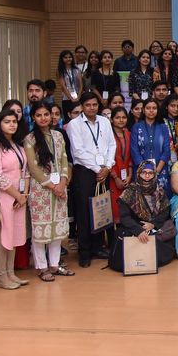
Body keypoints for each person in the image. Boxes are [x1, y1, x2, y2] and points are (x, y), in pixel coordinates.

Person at [65, 92, 117, 267]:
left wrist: (107, 167)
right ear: (82, 106)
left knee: (101, 208)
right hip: (85, 172)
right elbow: (78, 151)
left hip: (104, 171)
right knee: (84, 212)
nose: (92, 108)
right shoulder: (74, 124)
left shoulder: (104, 121)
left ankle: (98, 247)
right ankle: (84, 252)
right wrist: (98, 169)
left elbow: (112, 145)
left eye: (94, 104)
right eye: (87, 105)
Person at [0, 109, 30, 290]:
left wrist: (23, 195)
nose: (12, 125)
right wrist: (17, 195)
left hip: (18, 198)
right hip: (2, 195)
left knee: (14, 235)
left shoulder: (16, 144)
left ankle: (11, 273)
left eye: (14, 121)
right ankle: (2, 276)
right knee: (3, 236)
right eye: (7, 121)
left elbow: (25, 172)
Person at [23, 102, 73, 282]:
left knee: (56, 228)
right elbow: (33, 168)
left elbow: (65, 160)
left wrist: (63, 182)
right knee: (40, 230)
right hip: (41, 190)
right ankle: (42, 267)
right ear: (33, 118)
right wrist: (53, 186)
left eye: (46, 114)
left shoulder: (58, 136)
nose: (43, 118)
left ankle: (54, 264)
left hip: (60, 187)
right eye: (39, 115)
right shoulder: (30, 139)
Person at [117, 160, 176, 268]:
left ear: (154, 174)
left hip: (152, 226)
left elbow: (165, 212)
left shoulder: (159, 191)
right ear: (138, 173)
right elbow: (124, 217)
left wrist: (153, 224)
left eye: (150, 173)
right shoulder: (129, 192)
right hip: (133, 227)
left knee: (158, 243)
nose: (147, 176)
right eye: (144, 172)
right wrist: (138, 231)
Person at [131, 98, 172, 190]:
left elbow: (166, 150)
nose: (151, 110)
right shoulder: (136, 127)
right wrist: (146, 171)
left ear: (158, 110)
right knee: (141, 197)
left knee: (160, 196)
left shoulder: (163, 127)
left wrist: (156, 171)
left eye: (154, 108)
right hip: (141, 171)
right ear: (143, 110)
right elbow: (134, 151)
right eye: (148, 108)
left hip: (160, 170)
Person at [57, 50, 84, 117]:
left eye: (70, 57)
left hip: (78, 97)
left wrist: (78, 97)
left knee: (79, 116)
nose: (68, 59)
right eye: (65, 57)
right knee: (68, 117)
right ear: (62, 59)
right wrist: (71, 98)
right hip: (66, 98)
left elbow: (81, 85)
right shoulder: (60, 71)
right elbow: (63, 86)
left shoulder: (77, 70)